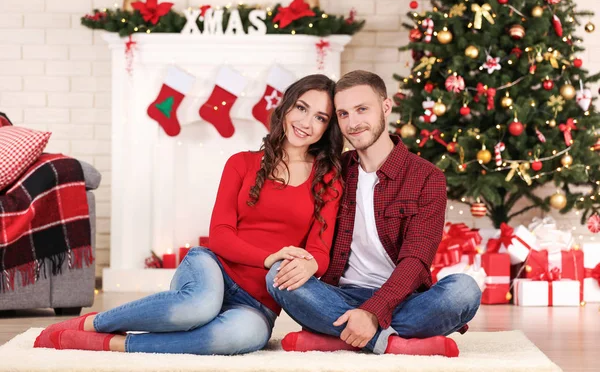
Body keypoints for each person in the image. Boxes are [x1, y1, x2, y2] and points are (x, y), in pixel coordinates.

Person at [33, 74, 344, 355]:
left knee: (239, 338)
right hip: (214, 268)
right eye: (301, 108)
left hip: (259, 304)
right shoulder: (241, 163)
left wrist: (311, 264)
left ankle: (114, 344)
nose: (306, 122)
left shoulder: (328, 179)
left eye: (320, 117)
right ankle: (94, 324)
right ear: (287, 107)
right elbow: (220, 235)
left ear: (327, 127)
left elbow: (320, 251)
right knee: (198, 307)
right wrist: (270, 258)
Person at [266, 70, 481, 357]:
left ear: (386, 107)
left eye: (362, 110)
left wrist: (373, 312)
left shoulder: (427, 177)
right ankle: (395, 343)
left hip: (402, 298)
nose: (353, 123)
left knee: (464, 291)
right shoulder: (333, 170)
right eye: (343, 114)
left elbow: (416, 261)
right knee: (277, 276)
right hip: (339, 294)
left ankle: (338, 338)